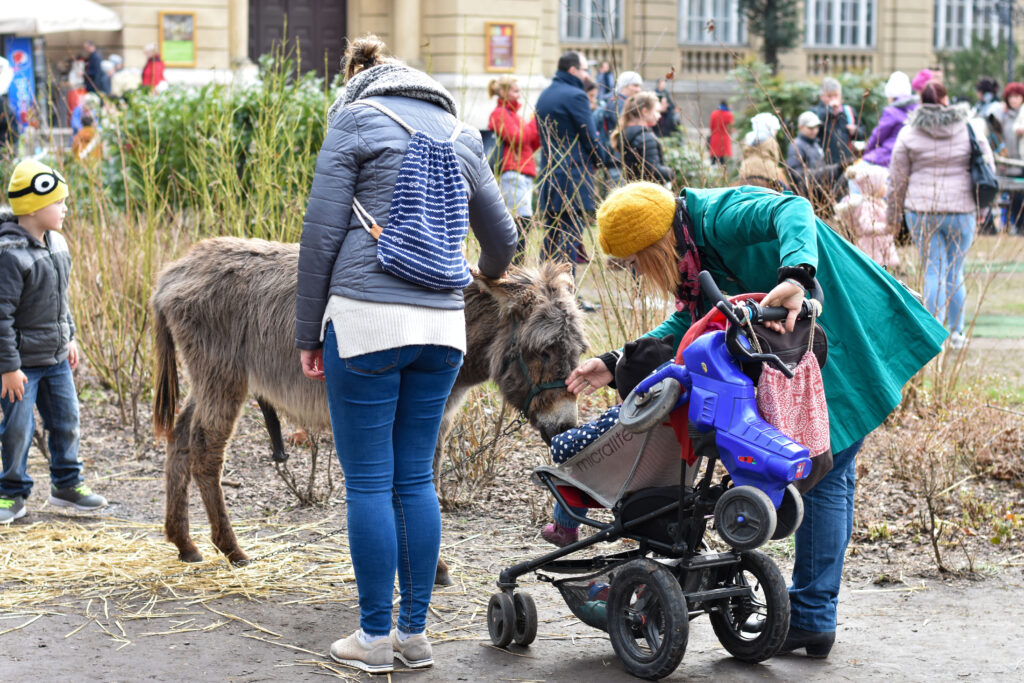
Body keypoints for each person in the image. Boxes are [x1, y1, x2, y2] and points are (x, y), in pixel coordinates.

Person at [564, 180, 946, 657]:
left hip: (835, 324)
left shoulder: (716, 216)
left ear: (653, 243)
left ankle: (810, 616)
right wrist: (614, 358)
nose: (639, 274)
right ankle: (812, 614)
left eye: (637, 262)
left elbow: (794, 208)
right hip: (800, 342)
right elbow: (696, 320)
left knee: (824, 468)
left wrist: (795, 275)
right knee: (831, 467)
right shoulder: (690, 254)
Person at [295, 36, 516, 674]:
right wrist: (482, 272)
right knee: (415, 478)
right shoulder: (460, 132)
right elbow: (503, 238)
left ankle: (372, 636)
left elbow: (320, 236)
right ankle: (413, 636)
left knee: (368, 481)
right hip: (444, 326)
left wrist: (309, 332)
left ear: (359, 79)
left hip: (364, 322)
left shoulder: (354, 121)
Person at [0, 160, 108, 525]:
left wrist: (71, 336)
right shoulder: (10, 255)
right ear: (33, 206)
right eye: (59, 201)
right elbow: (1, 317)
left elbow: (60, 300)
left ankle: (67, 484)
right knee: (18, 428)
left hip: (57, 357)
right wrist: (9, 368)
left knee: (67, 421)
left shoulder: (58, 243)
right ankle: (11, 492)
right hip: (21, 365)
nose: (65, 208)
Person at [888, 80, 993, 350]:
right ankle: (957, 333)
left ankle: (936, 333)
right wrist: (984, 208)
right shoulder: (969, 126)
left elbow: (897, 178)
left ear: (921, 102)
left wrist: (893, 216)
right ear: (947, 100)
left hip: (922, 210)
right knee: (955, 271)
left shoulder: (909, 132)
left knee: (933, 269)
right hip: (962, 209)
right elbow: (986, 167)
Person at [535, 51, 601, 269]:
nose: (586, 74)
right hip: (573, 175)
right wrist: (602, 161)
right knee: (570, 236)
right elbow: (589, 137)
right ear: (573, 70)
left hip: (550, 174)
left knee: (552, 235)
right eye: (584, 69)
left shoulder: (545, 95)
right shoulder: (576, 95)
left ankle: (542, 289)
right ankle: (566, 293)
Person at [488, 74, 540, 262]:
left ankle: (517, 263)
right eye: (516, 91)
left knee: (524, 222)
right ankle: (513, 264)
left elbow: (530, 145)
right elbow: (518, 139)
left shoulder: (515, 116)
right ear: (503, 92)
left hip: (524, 172)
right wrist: (533, 122)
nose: (520, 95)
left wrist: (537, 126)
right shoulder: (499, 114)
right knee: (520, 221)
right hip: (512, 172)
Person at [834, 162, 900, 269]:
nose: (886, 187)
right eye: (884, 184)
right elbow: (866, 226)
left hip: (880, 248)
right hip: (872, 250)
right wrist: (886, 228)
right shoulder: (868, 206)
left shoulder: (878, 203)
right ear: (874, 187)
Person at [612, 92, 674, 185]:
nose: (659, 116)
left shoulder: (624, 133)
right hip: (647, 190)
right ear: (645, 111)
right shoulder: (645, 138)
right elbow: (653, 171)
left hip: (631, 187)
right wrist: (670, 173)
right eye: (657, 111)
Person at [594, 70, 644, 182]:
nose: (638, 89)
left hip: (613, 160)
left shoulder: (614, 101)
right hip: (617, 161)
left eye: (640, 86)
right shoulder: (620, 104)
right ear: (624, 86)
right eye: (635, 85)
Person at [786, 110, 842, 208]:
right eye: (810, 127)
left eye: (816, 127)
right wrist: (832, 170)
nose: (814, 130)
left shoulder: (816, 144)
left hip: (819, 195)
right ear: (800, 127)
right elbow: (797, 175)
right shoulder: (796, 146)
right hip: (805, 198)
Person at [862, 71, 917, 168]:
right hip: (910, 158)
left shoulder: (891, 112)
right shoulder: (916, 110)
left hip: (888, 156)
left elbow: (877, 136)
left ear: (891, 96)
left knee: (854, 173)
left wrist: (867, 151)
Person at [813, 77, 860, 170]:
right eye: (829, 96)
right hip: (826, 164)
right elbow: (815, 129)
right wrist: (830, 110)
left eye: (836, 95)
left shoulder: (848, 111)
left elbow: (862, 133)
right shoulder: (815, 112)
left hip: (846, 161)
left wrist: (855, 131)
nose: (833, 99)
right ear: (822, 96)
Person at [738, 112, 786, 191]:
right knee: (784, 189)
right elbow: (775, 157)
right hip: (767, 172)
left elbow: (745, 154)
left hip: (745, 170)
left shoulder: (749, 138)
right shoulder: (771, 140)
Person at [708, 101, 733, 166]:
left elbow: (711, 127)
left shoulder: (714, 113)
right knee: (723, 161)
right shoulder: (729, 115)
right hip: (724, 140)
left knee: (713, 159)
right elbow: (730, 129)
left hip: (715, 138)